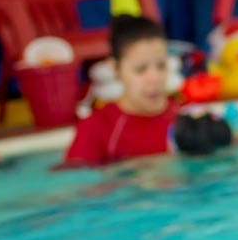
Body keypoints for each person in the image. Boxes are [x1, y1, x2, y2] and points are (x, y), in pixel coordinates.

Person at [60, 15, 179, 167]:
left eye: (161, 66)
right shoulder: (97, 128)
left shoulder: (184, 116)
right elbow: (74, 183)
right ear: (115, 69)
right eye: (140, 70)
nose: (154, 78)